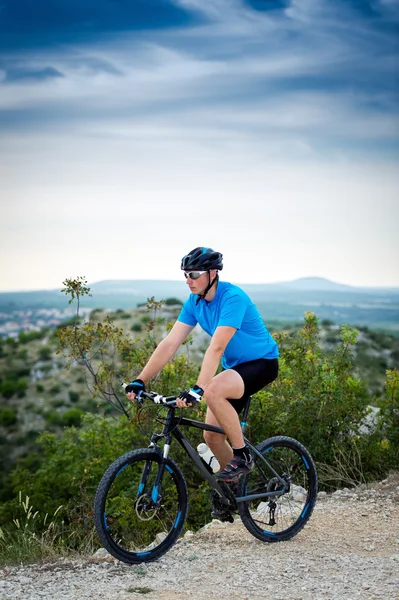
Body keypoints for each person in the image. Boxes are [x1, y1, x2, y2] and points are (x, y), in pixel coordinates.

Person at [125, 247, 279, 484]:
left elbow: (216, 348)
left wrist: (199, 388)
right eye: (185, 275)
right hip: (235, 369)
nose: (188, 280)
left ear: (213, 273)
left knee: (213, 390)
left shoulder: (232, 298)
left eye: (194, 274)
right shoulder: (194, 302)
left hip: (262, 363)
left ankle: (243, 455)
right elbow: (170, 344)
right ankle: (236, 492)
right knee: (212, 437)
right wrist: (141, 379)